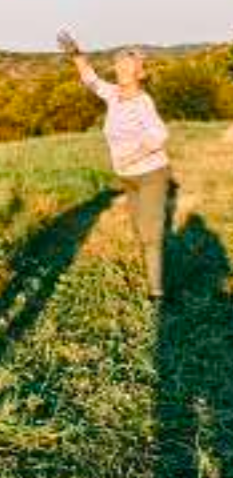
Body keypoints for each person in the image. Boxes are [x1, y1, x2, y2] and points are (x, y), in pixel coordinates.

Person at [57, 30, 172, 299]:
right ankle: (150, 270)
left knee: (150, 232)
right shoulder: (114, 95)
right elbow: (91, 80)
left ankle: (156, 292)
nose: (120, 68)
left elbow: (160, 136)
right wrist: (76, 55)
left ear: (139, 74)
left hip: (151, 174)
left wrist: (131, 157)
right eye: (118, 64)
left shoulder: (142, 102)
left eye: (127, 66)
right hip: (128, 177)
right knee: (138, 227)